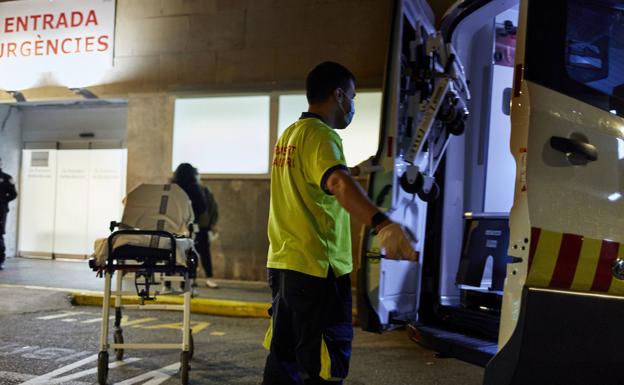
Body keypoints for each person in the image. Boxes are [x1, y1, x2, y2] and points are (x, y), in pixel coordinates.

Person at [262, 62, 417, 385]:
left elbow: (319, 182)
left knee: (284, 358)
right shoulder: (322, 136)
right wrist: (383, 223)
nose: (353, 105)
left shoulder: (290, 134)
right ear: (338, 95)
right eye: (353, 97)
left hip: (286, 264)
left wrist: (354, 171)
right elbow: (337, 184)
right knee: (320, 365)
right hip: (318, 269)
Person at [172, 163, 219, 288]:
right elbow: (205, 207)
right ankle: (204, 278)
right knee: (202, 252)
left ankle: (182, 280)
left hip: (177, 226)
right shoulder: (198, 189)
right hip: (198, 226)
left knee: (181, 253)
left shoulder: (173, 188)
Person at [0, 157, 17, 271]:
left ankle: (0, 261)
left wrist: (3, 201)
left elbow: (13, 194)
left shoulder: (6, 178)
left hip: (0, 211)